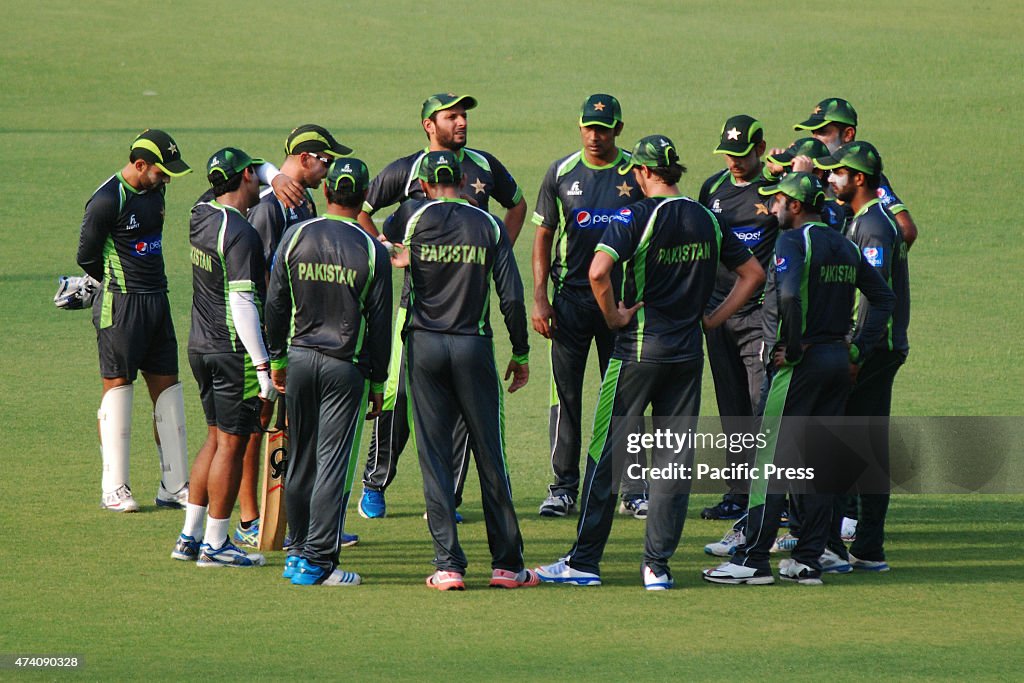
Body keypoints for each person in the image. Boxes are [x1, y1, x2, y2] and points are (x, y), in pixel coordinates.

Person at [535, 135, 764, 589]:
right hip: (686, 357)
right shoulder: (706, 218)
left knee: (605, 455)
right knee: (672, 464)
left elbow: (598, 272)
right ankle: (656, 567)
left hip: (636, 353)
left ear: (641, 172)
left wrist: (614, 314)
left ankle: (584, 562)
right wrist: (715, 318)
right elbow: (753, 273)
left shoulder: (634, 216)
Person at [702, 172, 895, 586]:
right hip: (835, 363)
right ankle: (808, 559)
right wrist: (858, 348)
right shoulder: (844, 244)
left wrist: (789, 345)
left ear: (795, 206)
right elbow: (883, 298)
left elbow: (788, 295)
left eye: (778, 202)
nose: (771, 209)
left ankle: (753, 560)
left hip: (798, 365)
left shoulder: (793, 241)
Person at [355, 93, 527, 520]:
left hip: (469, 309)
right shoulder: (405, 169)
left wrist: (496, 250)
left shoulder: (485, 165)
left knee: (461, 409)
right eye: (452, 116)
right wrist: (389, 254)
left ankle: (449, 496)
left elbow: (518, 204)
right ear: (429, 125)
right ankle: (375, 483)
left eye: (464, 115)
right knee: (396, 398)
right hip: (413, 310)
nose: (462, 122)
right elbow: (362, 212)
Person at [386, 151, 537, 590]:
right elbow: (510, 295)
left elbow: (383, 247)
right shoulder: (487, 224)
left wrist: (400, 253)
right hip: (474, 345)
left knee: (435, 456)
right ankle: (508, 566)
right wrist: (522, 352)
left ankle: (449, 565)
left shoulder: (413, 220)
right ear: (461, 182)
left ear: (427, 186)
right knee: (490, 453)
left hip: (424, 344)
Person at [264, 158, 393, 586]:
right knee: (332, 464)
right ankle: (318, 564)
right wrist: (378, 382)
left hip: (299, 361)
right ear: (362, 198)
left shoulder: (296, 234)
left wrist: (278, 360)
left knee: (300, 459)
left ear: (326, 193)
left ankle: (297, 551)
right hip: (345, 367)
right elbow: (378, 324)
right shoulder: (372, 247)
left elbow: (276, 304)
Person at [230, 124, 356, 549]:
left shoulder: (300, 203)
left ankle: (305, 523)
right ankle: (251, 519)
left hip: (296, 340)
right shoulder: (271, 208)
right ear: (305, 158)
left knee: (299, 431)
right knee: (256, 424)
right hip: (268, 340)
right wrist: (270, 348)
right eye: (327, 160)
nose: (330, 168)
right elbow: (262, 281)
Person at [531, 94, 649, 519]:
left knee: (624, 396)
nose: (595, 136)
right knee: (565, 396)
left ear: (618, 128)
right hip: (571, 303)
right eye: (588, 128)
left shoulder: (638, 172)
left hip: (621, 304)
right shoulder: (561, 172)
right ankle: (563, 488)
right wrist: (541, 298)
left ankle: (633, 489)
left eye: (603, 128)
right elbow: (543, 236)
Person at [76, 129, 193, 513]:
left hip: (158, 301)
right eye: (161, 171)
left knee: (169, 394)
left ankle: (174, 485)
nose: (167, 178)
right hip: (121, 306)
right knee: (118, 392)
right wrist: (113, 285)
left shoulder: (155, 189)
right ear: (139, 165)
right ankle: (114, 488)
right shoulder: (108, 199)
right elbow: (87, 257)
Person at [171, 148, 273, 568]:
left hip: (199, 346)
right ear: (246, 175)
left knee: (214, 438)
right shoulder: (242, 233)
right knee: (232, 445)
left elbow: (212, 189)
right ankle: (216, 544)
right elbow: (244, 304)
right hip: (234, 352)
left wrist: (260, 173)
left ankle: (189, 537)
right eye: (256, 176)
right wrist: (263, 367)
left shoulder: (200, 214)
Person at [816, 142, 910, 572]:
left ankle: (834, 546)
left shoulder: (871, 227)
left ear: (858, 179)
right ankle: (868, 547)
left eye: (838, 172)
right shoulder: (873, 220)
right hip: (881, 348)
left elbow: (876, 298)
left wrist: (856, 351)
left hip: (872, 350)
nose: (831, 178)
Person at [697, 115, 779, 521]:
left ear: (760, 149)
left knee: (760, 404)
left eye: (743, 154)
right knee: (731, 406)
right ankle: (738, 492)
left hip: (759, 316)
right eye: (729, 154)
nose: (735, 162)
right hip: (716, 315)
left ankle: (770, 498)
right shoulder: (711, 189)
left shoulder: (777, 190)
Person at [794, 97, 919, 249]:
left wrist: (866, 263)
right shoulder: (817, 171)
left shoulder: (862, 175)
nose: (815, 140)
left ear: (848, 134)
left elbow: (907, 229)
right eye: (813, 133)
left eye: (822, 132)